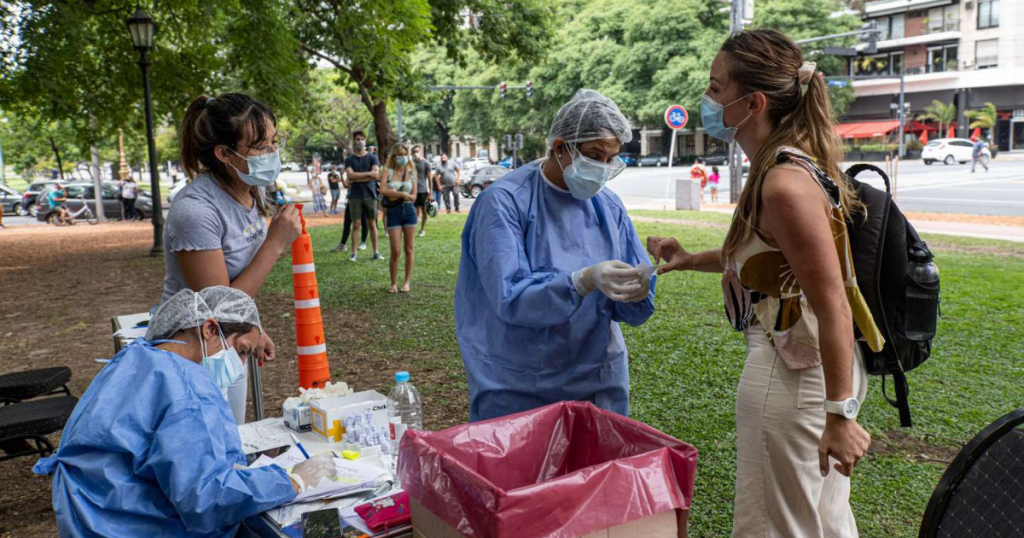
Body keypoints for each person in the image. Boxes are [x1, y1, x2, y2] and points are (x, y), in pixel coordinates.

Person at [647, 30, 879, 538]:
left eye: (716, 88)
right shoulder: (785, 164)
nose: (708, 100)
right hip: (812, 369)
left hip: (795, 372)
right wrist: (690, 260)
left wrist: (840, 414)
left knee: (776, 526)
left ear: (753, 103)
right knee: (822, 520)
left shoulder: (783, 183)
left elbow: (832, 302)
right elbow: (774, 260)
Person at [33, 287, 337, 538]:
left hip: (92, 514)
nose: (241, 365)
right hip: (131, 524)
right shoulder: (188, 390)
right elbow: (206, 501)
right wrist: (291, 481)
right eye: (242, 351)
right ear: (209, 328)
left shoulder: (136, 358)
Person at [455, 89, 656, 422]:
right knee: (523, 457)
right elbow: (509, 297)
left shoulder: (608, 206)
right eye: (595, 155)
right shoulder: (504, 202)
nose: (603, 168)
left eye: (611, 159)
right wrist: (580, 281)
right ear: (560, 147)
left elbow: (632, 302)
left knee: (596, 456)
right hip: (518, 382)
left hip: (597, 378)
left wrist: (637, 291)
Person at [163, 93, 303, 424]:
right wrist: (275, 243)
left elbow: (234, 288)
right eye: (260, 147)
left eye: (274, 142)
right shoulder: (195, 211)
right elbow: (219, 304)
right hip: (191, 353)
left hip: (227, 342)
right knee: (207, 442)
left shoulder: (251, 189)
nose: (272, 153)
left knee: (232, 435)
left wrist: (252, 328)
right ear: (224, 153)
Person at [380, 144, 418, 293]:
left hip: (409, 211)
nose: (402, 157)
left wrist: (400, 194)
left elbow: (414, 196)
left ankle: (407, 282)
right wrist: (401, 194)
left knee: (409, 249)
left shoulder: (412, 173)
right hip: (393, 212)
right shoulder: (387, 172)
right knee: (395, 251)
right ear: (394, 156)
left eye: (404, 154)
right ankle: (393, 283)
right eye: (399, 154)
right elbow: (383, 190)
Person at [343, 131, 383, 261]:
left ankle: (376, 252)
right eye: (357, 139)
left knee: (372, 224)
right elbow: (350, 176)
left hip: (370, 194)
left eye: (362, 139)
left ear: (365, 141)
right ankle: (354, 253)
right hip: (355, 196)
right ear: (354, 141)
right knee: (356, 224)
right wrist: (368, 174)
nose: (360, 141)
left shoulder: (372, 157)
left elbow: (376, 175)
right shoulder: (349, 160)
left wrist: (357, 177)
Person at [412, 145, 432, 237]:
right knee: (414, 211)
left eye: (417, 151)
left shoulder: (426, 163)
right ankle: (412, 229)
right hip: (412, 190)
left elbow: (430, 178)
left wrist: (430, 192)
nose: (415, 153)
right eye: (414, 151)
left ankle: (422, 230)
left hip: (422, 190)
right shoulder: (411, 163)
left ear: (420, 151)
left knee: (424, 211)